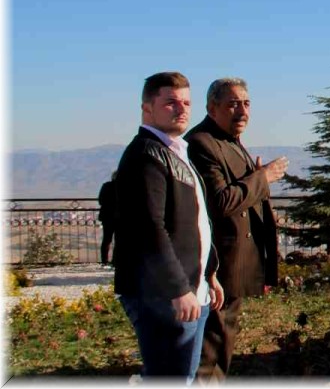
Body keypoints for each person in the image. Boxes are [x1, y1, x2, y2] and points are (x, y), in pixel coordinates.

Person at [114, 71, 223, 382]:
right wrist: (177, 288)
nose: (182, 109)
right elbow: (149, 229)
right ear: (147, 108)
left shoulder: (174, 152)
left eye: (187, 102)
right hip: (163, 295)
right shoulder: (146, 157)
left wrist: (209, 273)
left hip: (191, 289)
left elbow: (195, 219)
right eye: (171, 102)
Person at [186, 77, 288, 382]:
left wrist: (257, 176)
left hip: (235, 264)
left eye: (246, 103)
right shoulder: (203, 143)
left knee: (223, 340)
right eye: (233, 104)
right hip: (219, 263)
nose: (241, 111)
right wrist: (263, 178)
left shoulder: (230, 141)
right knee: (210, 346)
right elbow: (220, 201)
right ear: (212, 107)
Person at [98, 172, 117, 266]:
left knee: (106, 239)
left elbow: (101, 200)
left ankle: (104, 261)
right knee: (118, 240)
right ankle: (115, 261)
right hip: (119, 217)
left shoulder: (106, 186)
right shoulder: (124, 187)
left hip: (107, 217)